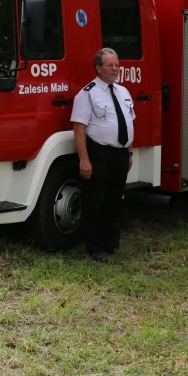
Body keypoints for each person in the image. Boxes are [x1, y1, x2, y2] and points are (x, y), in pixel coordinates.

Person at [70, 48, 135, 262]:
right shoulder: (87, 94)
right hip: (99, 153)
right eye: (110, 65)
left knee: (115, 201)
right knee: (94, 202)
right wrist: (84, 159)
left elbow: (129, 123)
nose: (115, 69)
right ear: (98, 68)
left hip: (120, 154)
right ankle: (94, 247)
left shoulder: (123, 92)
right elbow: (79, 129)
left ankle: (111, 242)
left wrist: (129, 153)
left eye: (116, 65)